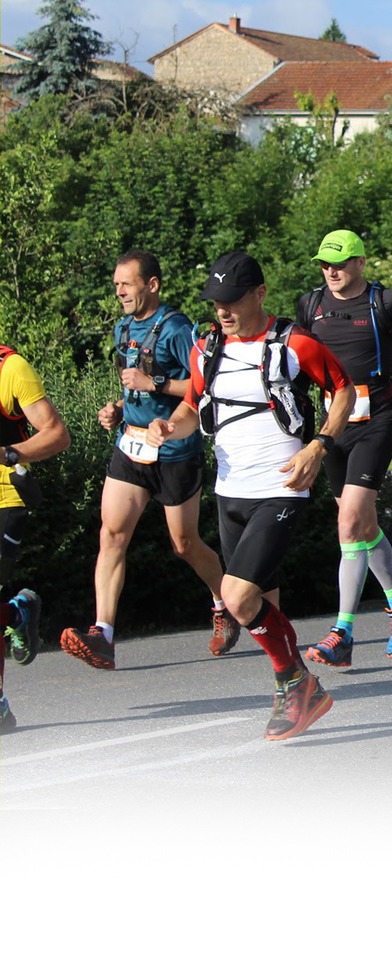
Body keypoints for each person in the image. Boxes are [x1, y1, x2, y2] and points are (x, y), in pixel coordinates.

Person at [147, 251, 354, 740]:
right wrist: (167, 427)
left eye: (233, 299)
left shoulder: (296, 342)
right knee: (262, 600)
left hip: (280, 486)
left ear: (260, 294)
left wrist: (319, 447)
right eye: (216, 300)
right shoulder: (205, 349)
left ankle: (298, 683)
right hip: (230, 489)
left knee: (237, 597)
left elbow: (344, 391)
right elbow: (192, 408)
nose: (223, 309)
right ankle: (294, 690)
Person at [60, 250, 236, 671]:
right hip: (131, 447)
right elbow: (131, 386)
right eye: (117, 283)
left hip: (174, 450)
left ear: (151, 285)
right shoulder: (123, 328)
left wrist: (152, 381)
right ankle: (102, 634)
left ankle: (223, 604)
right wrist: (117, 408)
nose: (119, 290)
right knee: (111, 535)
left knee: (184, 544)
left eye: (127, 283)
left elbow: (202, 385)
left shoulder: (176, 328)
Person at [295, 230, 392, 668]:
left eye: (339, 263)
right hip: (333, 424)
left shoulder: (386, 303)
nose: (331, 271)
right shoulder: (310, 306)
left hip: (377, 419)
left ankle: (343, 631)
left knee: (349, 520)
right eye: (324, 264)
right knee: (362, 523)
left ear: (360, 263)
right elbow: (295, 358)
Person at [0, 344, 71, 732]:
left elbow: (58, 435)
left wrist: (8, 453)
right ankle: (16, 613)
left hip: (6, 494)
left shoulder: (10, 368)